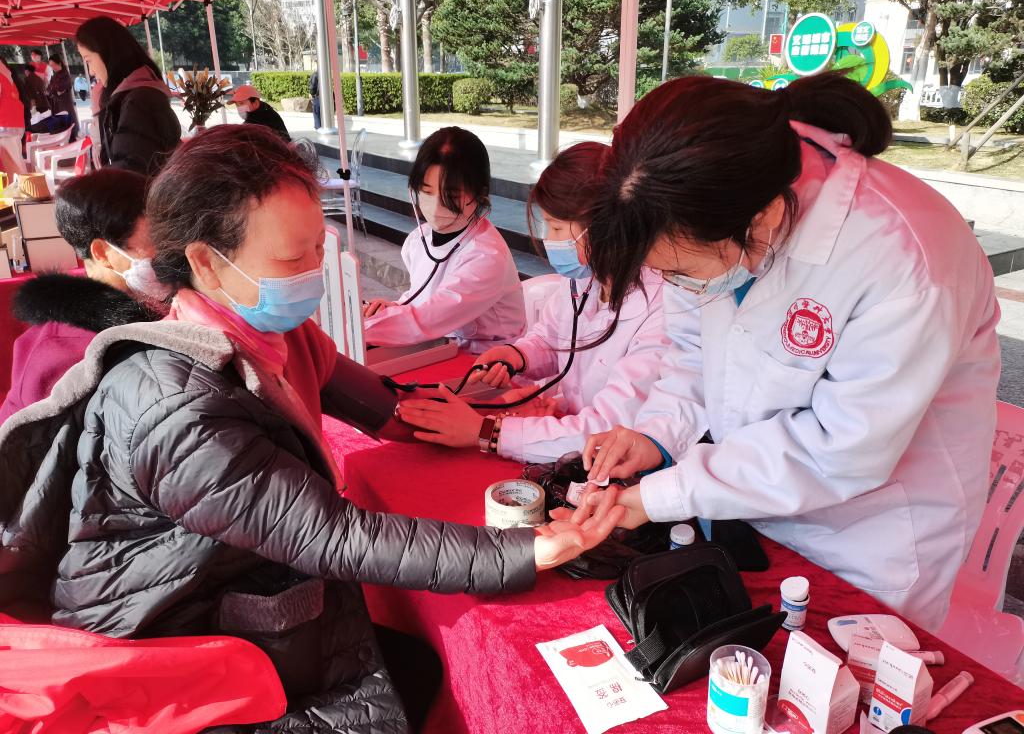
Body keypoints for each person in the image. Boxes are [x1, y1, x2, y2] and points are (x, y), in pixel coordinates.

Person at [0, 125, 623, 732]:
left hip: (230, 595)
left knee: (412, 668)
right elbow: (332, 534)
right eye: (291, 257)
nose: (313, 272)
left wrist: (473, 423)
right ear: (206, 263)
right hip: (167, 650)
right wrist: (525, 549)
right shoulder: (175, 403)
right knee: (409, 679)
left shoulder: (268, 330)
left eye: (318, 249)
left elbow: (381, 405)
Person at [570, 73, 1000, 631]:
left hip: (870, 534)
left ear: (766, 216)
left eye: (682, 272)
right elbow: (693, 352)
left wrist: (660, 496)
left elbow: (839, 449)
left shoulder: (903, 259)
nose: (678, 284)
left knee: (847, 672)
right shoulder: (708, 208)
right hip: (754, 498)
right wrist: (656, 436)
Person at [397, 142, 672, 464]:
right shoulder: (585, 278)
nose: (549, 239)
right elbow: (550, 338)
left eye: (556, 227)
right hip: (566, 435)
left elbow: (606, 429)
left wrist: (487, 432)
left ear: (605, 226)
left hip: (613, 462)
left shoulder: (661, 309)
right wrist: (518, 356)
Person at [0, 169, 165, 425]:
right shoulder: (65, 352)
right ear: (102, 253)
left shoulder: (157, 306)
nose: (170, 252)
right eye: (157, 240)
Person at [363, 126, 527, 352]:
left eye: (451, 195)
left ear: (479, 194)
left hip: (486, 358)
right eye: (426, 191)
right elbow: (422, 298)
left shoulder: (486, 257)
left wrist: (360, 328)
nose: (436, 205)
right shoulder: (418, 240)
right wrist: (393, 308)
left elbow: (428, 319)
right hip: (441, 347)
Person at [75, 16, 180, 174]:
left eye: (88, 60)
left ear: (107, 54)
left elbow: (131, 173)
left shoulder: (139, 102)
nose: (91, 72)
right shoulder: (131, 96)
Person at [0, 55, 26, 173]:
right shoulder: (7, 75)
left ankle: (23, 183)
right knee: (15, 160)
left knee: (11, 165)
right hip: (15, 124)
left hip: (4, 125)